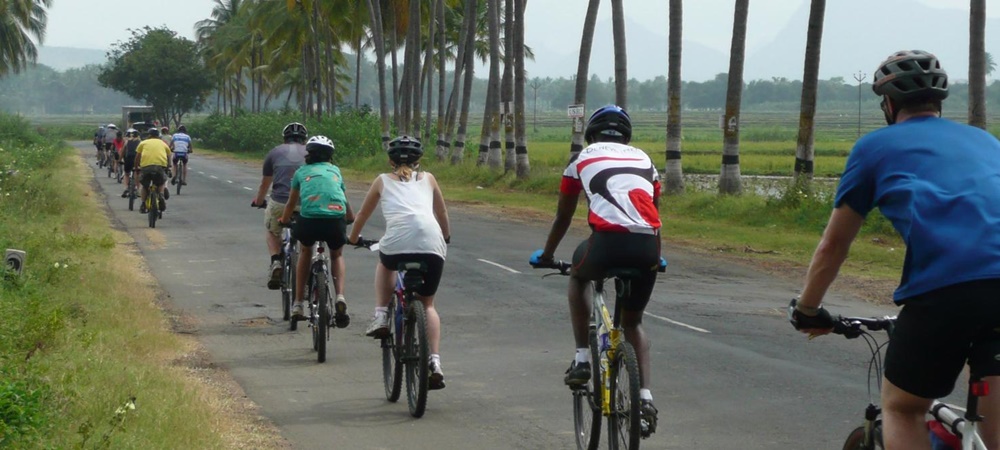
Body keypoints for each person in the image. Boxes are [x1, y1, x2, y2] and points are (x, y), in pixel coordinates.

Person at [790, 50, 1000, 450]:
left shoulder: (875, 148)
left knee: (904, 408)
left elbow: (834, 245)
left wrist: (808, 310)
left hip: (948, 289)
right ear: (940, 101)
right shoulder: (986, 142)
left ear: (888, 103)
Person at [530, 104, 662, 436]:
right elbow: (652, 216)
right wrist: (655, 256)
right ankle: (645, 398)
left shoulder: (580, 159)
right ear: (626, 135)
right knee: (634, 322)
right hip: (647, 247)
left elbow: (563, 216)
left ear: (592, 133)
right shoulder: (647, 160)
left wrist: (547, 255)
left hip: (605, 244)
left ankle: (582, 359)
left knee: (577, 275)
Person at [347, 135, 451, 390]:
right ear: (420, 160)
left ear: (389, 160)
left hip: (396, 245)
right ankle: (435, 363)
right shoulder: (429, 178)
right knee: (428, 305)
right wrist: (445, 237)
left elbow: (362, 214)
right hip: (432, 243)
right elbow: (442, 213)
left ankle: (381, 315)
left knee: (385, 264)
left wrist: (352, 238)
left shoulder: (382, 181)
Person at [278, 135, 353, 328]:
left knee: (305, 251)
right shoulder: (335, 171)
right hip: (335, 221)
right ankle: (341, 297)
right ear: (330, 156)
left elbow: (291, 202)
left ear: (308, 154)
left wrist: (284, 220)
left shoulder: (301, 172)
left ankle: (297, 304)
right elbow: (344, 200)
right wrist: (350, 218)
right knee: (336, 255)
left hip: (309, 221)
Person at [253, 122, 308, 289]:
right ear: (304, 139)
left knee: (272, 230)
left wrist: (259, 201)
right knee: (308, 240)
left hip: (280, 202)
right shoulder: (311, 153)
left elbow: (265, 184)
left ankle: (276, 261)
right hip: (306, 203)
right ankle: (306, 276)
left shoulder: (274, 152)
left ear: (285, 138)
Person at [135, 127, 172, 214]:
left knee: (144, 186)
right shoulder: (163, 143)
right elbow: (169, 155)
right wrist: (168, 166)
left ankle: (143, 204)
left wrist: (136, 167)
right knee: (161, 182)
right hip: (160, 167)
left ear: (149, 135)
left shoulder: (143, 143)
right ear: (158, 136)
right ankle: (161, 195)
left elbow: (137, 157)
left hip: (146, 167)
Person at [121, 128, 141, 198]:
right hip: (137, 159)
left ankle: (126, 188)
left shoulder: (127, 142)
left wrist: (120, 159)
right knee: (137, 173)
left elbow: (123, 151)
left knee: (126, 174)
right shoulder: (140, 142)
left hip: (128, 158)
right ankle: (138, 189)